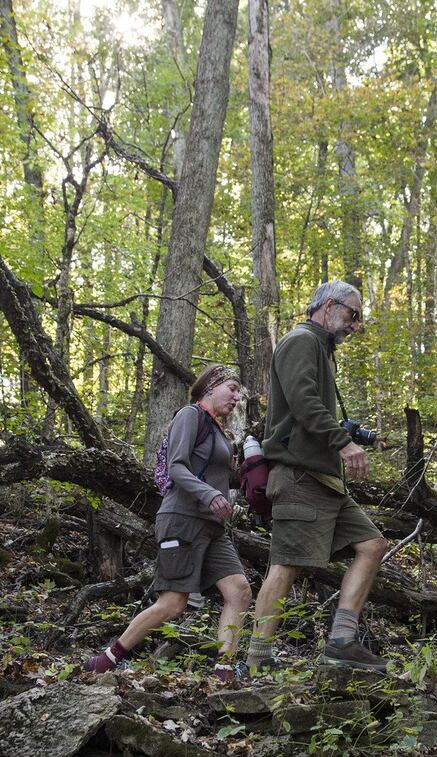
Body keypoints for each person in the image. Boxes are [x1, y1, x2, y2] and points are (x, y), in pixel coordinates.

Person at [245, 280, 389, 674]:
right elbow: (303, 402)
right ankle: (256, 659)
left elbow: (311, 407)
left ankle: (341, 641)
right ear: (328, 306)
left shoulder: (320, 351)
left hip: (325, 481)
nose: (355, 325)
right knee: (286, 564)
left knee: (372, 545)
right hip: (299, 476)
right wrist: (343, 443)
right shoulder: (300, 341)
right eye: (353, 315)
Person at [85, 365, 252, 683]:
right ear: (211, 387)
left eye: (238, 391)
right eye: (231, 388)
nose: (237, 396)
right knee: (173, 603)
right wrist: (208, 495)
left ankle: (224, 670)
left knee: (239, 590)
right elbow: (176, 466)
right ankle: (108, 659)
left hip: (212, 526)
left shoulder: (219, 429)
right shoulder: (191, 416)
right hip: (182, 520)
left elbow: (222, 475)